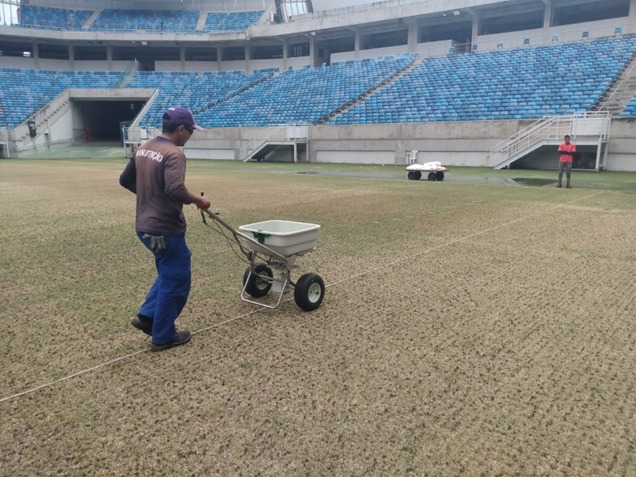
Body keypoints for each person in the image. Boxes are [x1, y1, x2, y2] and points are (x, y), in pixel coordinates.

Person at [119, 106, 211, 351]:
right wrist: (198, 200)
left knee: (168, 273)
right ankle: (163, 336)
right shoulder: (174, 154)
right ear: (181, 129)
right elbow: (174, 189)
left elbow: (125, 180)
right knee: (178, 278)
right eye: (190, 131)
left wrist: (150, 195)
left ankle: (147, 316)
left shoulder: (144, 148)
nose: (190, 136)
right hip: (166, 228)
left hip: (144, 226)